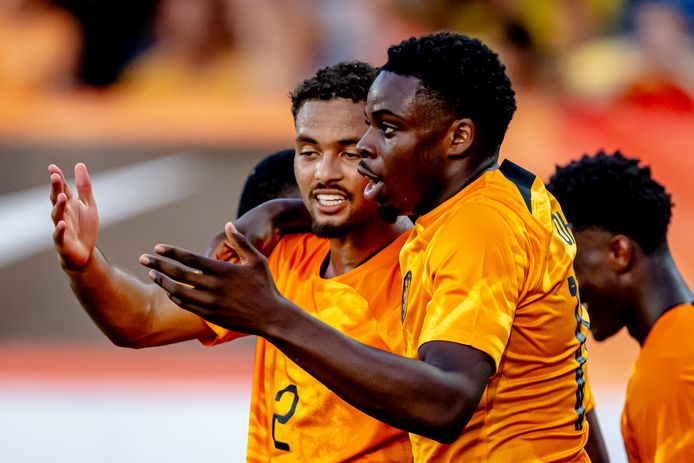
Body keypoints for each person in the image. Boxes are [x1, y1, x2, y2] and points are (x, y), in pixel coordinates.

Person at [142, 32, 607, 461]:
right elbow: (574, 390)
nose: (365, 146)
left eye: (386, 128)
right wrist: (283, 210)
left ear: (458, 138)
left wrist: (273, 315)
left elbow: (445, 402)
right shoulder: (516, 195)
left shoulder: (475, 228)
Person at [49, 61, 412, 462]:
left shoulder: (422, 267)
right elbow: (143, 319)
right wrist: (83, 264)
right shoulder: (278, 253)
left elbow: (440, 405)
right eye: (308, 152)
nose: (324, 173)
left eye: (349, 153)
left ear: (385, 151)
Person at [548, 150, 694, 462]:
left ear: (619, 253)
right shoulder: (674, 349)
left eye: (571, 266)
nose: (568, 288)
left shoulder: (672, 371)